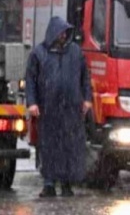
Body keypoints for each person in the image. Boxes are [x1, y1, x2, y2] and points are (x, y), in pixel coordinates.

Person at [25, 16, 91, 198]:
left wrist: (87, 99)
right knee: (49, 146)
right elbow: (30, 79)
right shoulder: (39, 53)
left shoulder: (75, 52)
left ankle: (67, 183)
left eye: (65, 33)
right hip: (49, 108)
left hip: (71, 108)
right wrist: (32, 102)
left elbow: (85, 76)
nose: (63, 36)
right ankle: (49, 183)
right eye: (61, 32)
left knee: (70, 146)